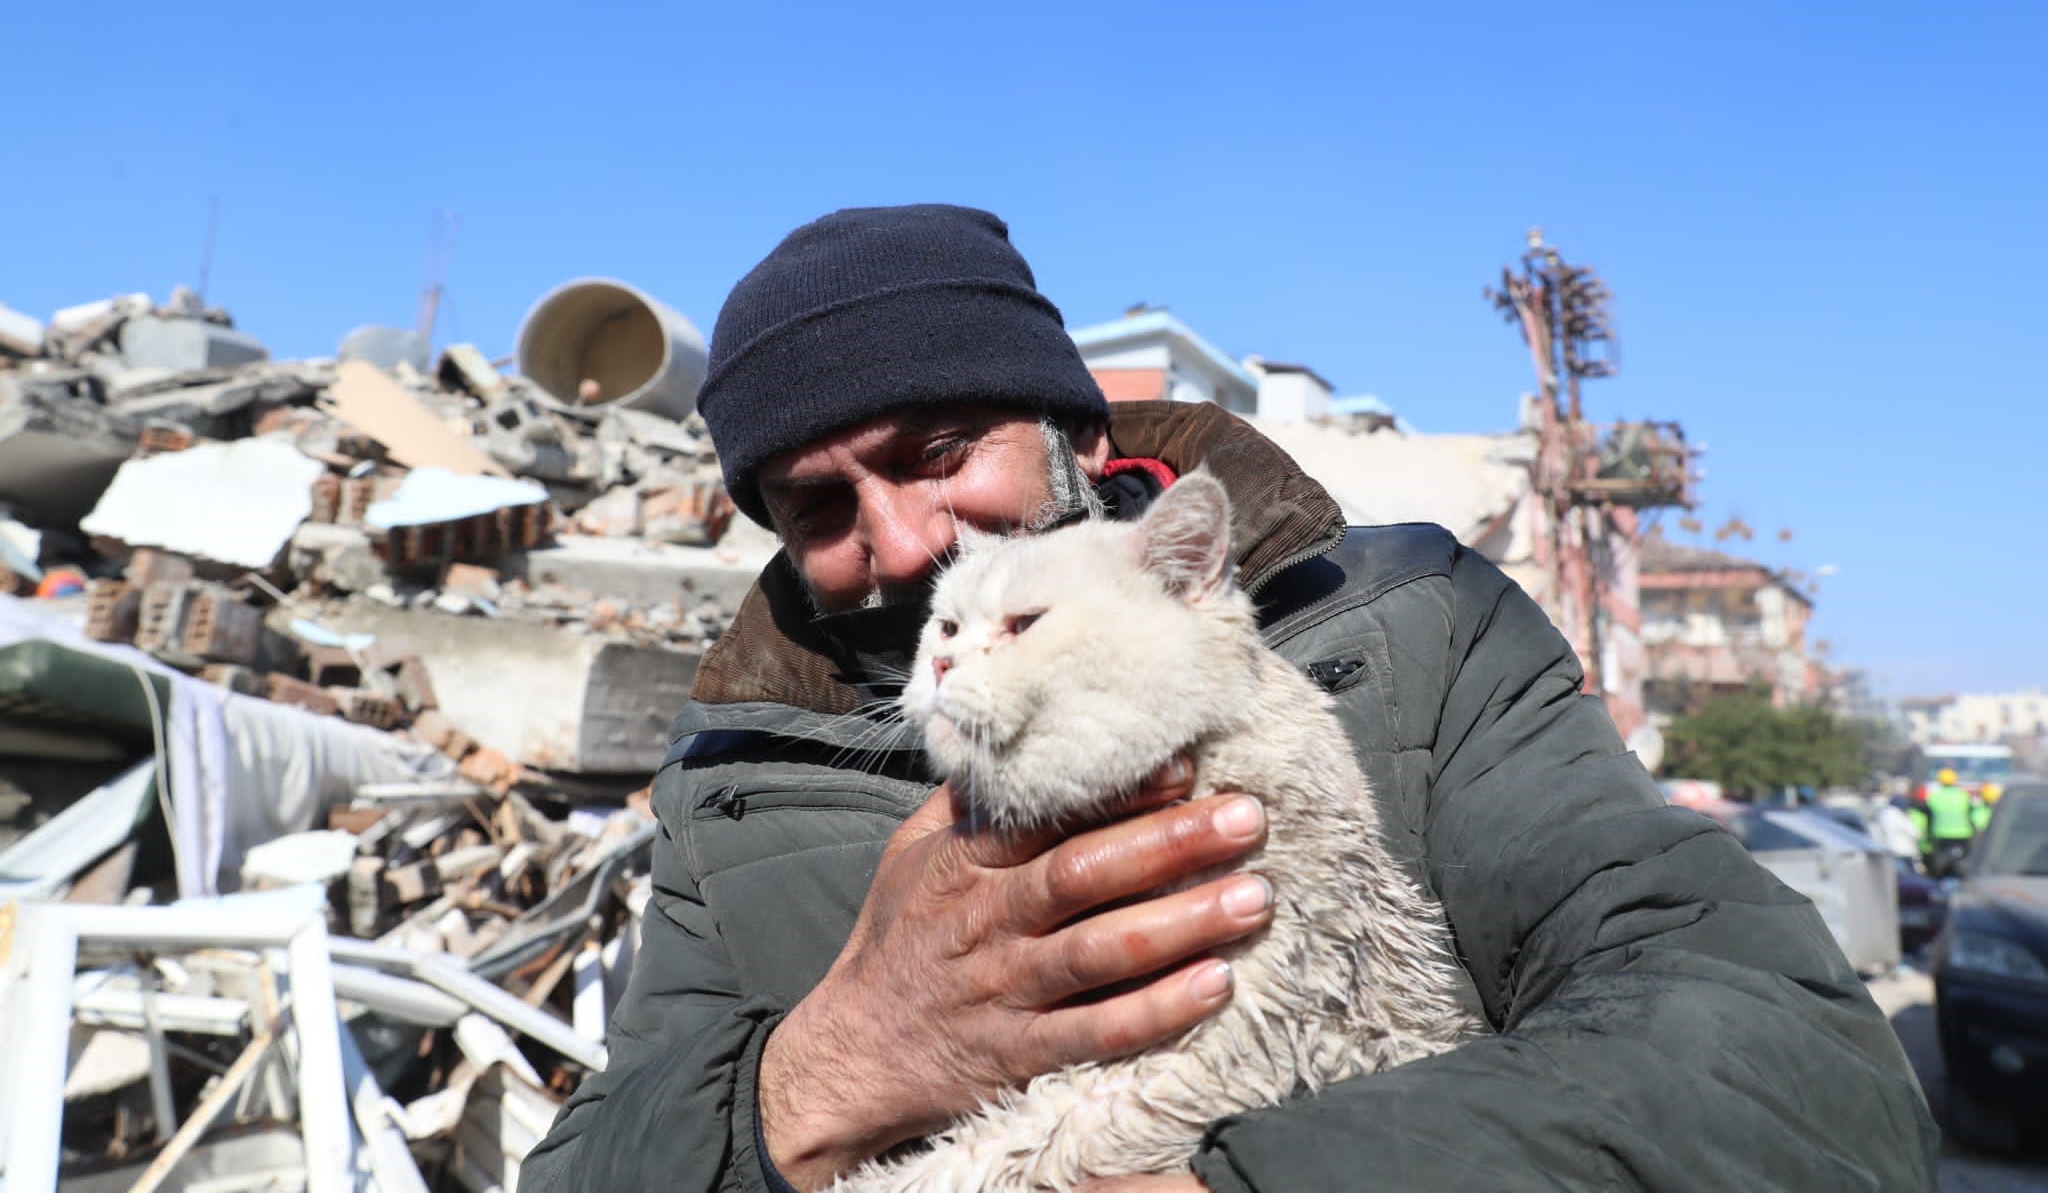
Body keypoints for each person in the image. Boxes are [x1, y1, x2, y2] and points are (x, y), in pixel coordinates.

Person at [522, 205, 1938, 1191]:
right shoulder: (733, 780)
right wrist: (826, 1071)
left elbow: (1779, 1056)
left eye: (943, 449)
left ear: (1075, 429)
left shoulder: (1409, 629)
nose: (900, 542)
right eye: (820, 503)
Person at [1924, 767, 1977, 878]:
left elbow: (1928, 815)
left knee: (1940, 866)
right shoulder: (1962, 795)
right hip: (1963, 835)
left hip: (1941, 835)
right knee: (1962, 862)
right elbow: (1970, 813)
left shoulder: (1934, 796)